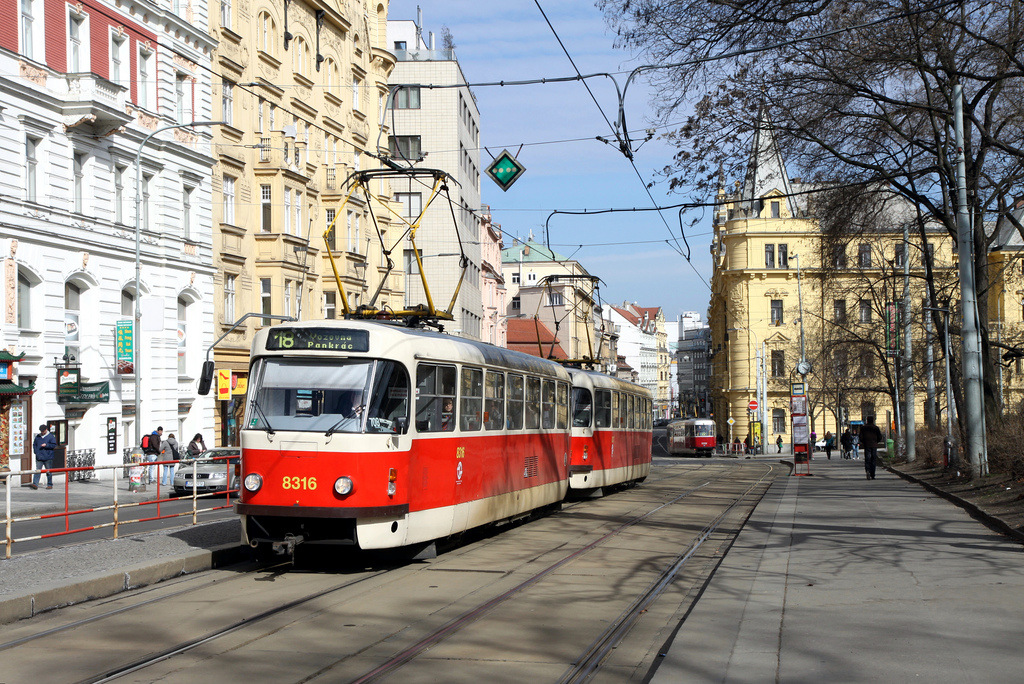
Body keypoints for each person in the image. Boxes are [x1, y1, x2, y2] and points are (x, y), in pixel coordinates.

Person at [30, 424, 56, 490]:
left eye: (43, 431)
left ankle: (49, 484)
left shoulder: (50, 436)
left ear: (46, 430)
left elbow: (53, 445)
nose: (42, 432)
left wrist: (46, 445)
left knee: (48, 471)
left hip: (48, 457)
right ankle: (35, 484)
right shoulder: (38, 437)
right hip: (39, 457)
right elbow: (34, 444)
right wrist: (36, 452)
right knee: (38, 471)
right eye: (41, 431)